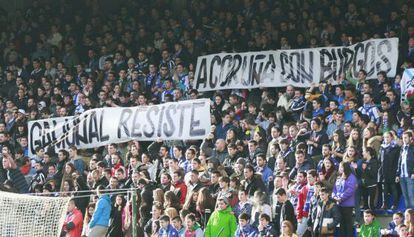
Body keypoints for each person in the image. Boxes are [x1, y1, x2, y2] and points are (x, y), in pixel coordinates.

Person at [332, 162, 357, 237]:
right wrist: (334, 196)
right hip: (339, 204)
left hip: (347, 205)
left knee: (348, 223)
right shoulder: (339, 177)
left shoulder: (351, 177)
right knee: (342, 223)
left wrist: (341, 198)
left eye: (341, 167)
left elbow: (350, 190)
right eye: (339, 167)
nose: (340, 169)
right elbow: (335, 189)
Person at [396, 131, 414, 209]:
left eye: (406, 137)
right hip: (402, 175)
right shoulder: (402, 148)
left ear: (411, 138)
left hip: (410, 175)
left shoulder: (413, 148)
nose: (404, 139)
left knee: (411, 194)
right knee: (405, 195)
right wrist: (397, 174)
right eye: (403, 138)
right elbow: (399, 162)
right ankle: (408, 213)